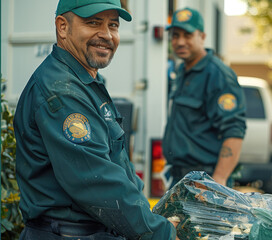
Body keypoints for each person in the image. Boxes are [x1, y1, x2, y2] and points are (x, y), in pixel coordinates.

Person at [13, 0, 179, 239]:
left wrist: (150, 217)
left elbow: (119, 166)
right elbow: (98, 182)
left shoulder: (86, 82)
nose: (107, 35)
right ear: (62, 27)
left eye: (113, 25)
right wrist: (160, 232)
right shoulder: (62, 91)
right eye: (93, 23)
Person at [163, 7, 246, 187]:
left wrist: (219, 180)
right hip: (181, 178)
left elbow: (234, 130)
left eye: (188, 35)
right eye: (175, 35)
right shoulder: (182, 71)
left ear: (202, 36)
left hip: (206, 181)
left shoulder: (218, 75)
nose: (180, 41)